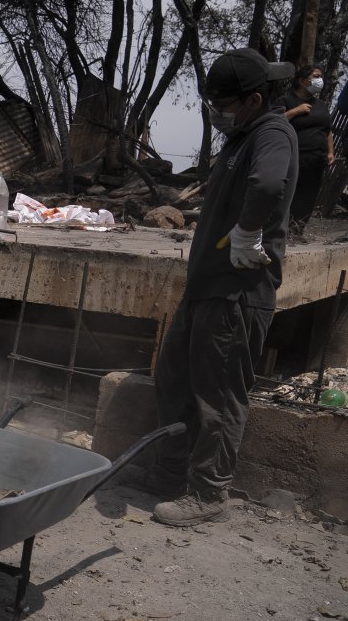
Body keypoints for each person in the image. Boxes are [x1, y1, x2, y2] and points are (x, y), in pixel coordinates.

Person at [147, 48, 297, 527]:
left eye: (225, 104)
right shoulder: (243, 134)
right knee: (174, 378)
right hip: (206, 288)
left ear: (254, 99)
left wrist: (249, 231)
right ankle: (170, 474)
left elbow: (270, 185)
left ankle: (209, 494)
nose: (217, 113)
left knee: (219, 394)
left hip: (236, 294)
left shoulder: (272, 133)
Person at [275, 65, 334, 225]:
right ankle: (283, 227)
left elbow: (327, 130)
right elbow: (272, 122)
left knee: (309, 195)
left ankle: (299, 229)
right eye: (316, 76)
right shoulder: (286, 100)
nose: (319, 80)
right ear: (302, 81)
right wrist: (295, 111)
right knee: (290, 193)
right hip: (294, 157)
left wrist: (330, 152)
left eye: (320, 76)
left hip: (317, 159)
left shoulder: (321, 104)